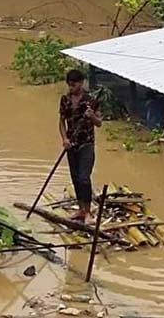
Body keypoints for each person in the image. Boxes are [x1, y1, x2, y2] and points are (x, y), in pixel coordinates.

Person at [59, 69, 102, 223]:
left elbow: (99, 123)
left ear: (81, 83)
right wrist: (64, 139)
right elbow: (61, 122)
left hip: (86, 144)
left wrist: (92, 117)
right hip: (71, 145)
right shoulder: (65, 100)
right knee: (75, 178)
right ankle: (81, 209)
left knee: (84, 178)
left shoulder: (91, 101)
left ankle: (88, 211)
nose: (71, 88)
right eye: (69, 85)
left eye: (74, 85)